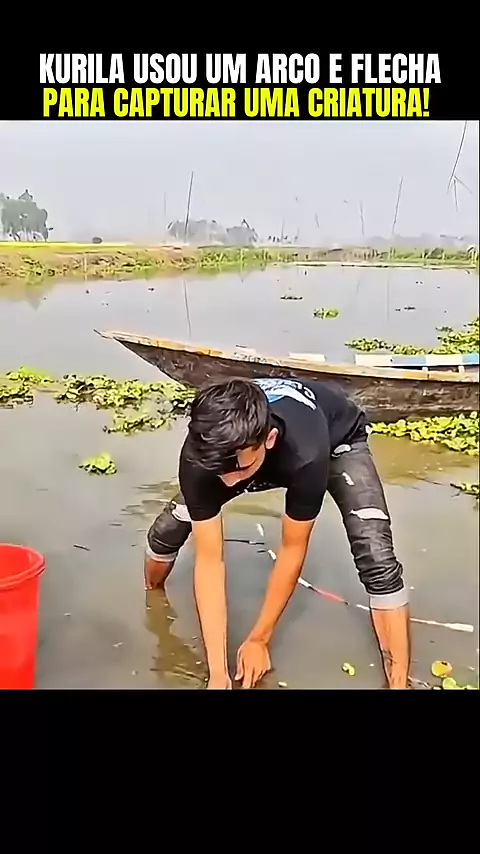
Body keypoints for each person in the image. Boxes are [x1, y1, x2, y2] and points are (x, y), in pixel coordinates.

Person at [143, 376, 411, 690]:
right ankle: (152, 595)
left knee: (375, 554)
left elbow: (292, 548)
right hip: (237, 453)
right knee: (169, 527)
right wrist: (218, 673)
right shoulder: (204, 454)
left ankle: (398, 683)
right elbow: (209, 561)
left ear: (269, 439)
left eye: (239, 472)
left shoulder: (306, 453)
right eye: (220, 473)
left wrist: (259, 639)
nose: (230, 484)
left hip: (337, 440)